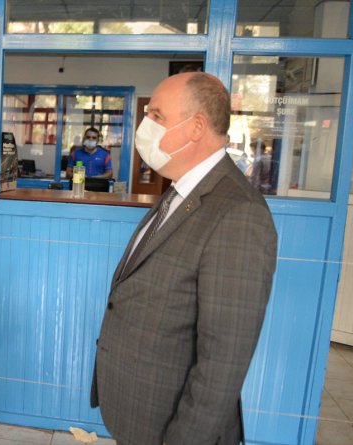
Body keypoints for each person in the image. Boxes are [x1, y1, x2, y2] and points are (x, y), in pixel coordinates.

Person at [91, 72, 277, 444]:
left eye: (157, 116)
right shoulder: (181, 190)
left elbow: (222, 363)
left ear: (196, 127)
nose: (145, 126)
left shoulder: (238, 214)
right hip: (139, 415)